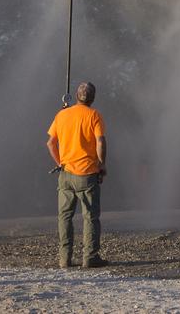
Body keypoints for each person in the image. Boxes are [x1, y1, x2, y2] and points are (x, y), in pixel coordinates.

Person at [46, 81, 108, 269]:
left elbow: (50, 143)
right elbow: (100, 141)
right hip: (87, 174)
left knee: (64, 216)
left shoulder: (61, 114)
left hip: (65, 174)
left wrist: (60, 163)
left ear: (76, 95)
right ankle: (89, 257)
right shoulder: (94, 115)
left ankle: (65, 258)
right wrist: (102, 165)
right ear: (93, 97)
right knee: (90, 217)